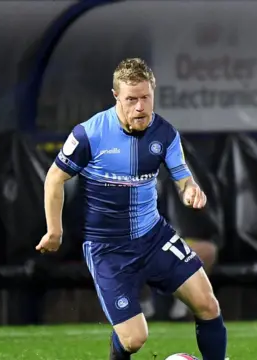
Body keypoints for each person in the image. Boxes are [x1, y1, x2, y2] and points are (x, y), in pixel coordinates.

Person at [35, 58, 227, 360]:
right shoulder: (90, 134)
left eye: (145, 98)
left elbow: (183, 178)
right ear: (116, 97)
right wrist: (54, 230)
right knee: (135, 339)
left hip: (154, 238)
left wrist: (191, 191)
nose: (140, 107)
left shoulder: (165, 134)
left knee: (208, 304)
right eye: (131, 99)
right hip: (108, 250)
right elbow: (54, 179)